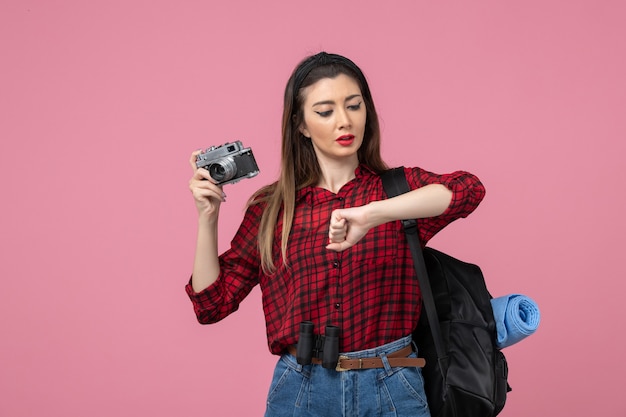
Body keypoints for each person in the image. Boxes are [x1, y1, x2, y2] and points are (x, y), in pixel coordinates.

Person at [186, 52, 485, 417]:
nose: (344, 121)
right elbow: (211, 304)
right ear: (302, 125)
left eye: (354, 106)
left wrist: (374, 213)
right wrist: (208, 217)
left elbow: (467, 189)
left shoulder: (397, 192)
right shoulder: (271, 209)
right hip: (301, 389)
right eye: (325, 111)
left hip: (392, 385)